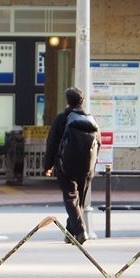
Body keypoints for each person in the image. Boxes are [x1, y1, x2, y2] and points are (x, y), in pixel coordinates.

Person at [44, 86, 101, 246]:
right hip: (86, 168)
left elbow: (52, 143)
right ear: (82, 101)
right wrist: (92, 164)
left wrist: (48, 165)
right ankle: (70, 234)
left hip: (65, 166)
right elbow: (99, 143)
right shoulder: (91, 119)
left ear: (68, 101)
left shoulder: (63, 118)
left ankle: (81, 231)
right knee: (79, 201)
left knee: (70, 198)